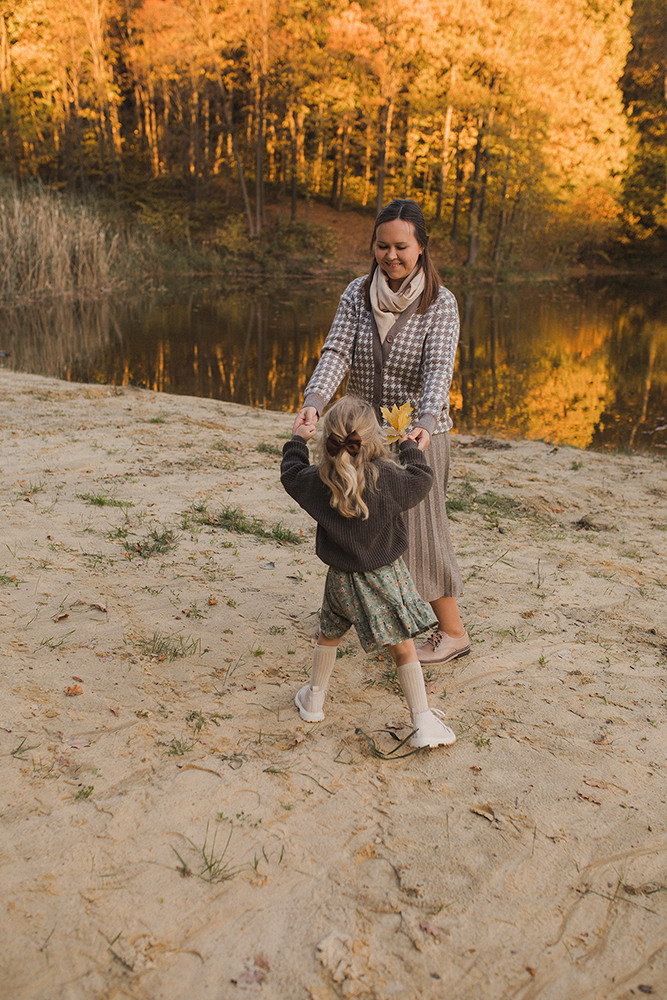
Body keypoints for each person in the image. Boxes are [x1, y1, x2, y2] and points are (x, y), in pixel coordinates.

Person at [292, 198, 468, 666]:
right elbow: (336, 353)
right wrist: (314, 403)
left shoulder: (440, 303)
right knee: (368, 530)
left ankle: (453, 633)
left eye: (402, 247)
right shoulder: (356, 293)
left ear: (422, 247)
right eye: (382, 246)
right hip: (363, 436)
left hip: (417, 439)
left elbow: (438, 375)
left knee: (422, 531)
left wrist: (424, 427)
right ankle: (384, 621)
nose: (391, 256)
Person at [281, 395, 456, 749]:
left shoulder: (318, 481)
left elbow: (290, 474)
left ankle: (314, 700)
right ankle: (423, 722)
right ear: (373, 440)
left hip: (340, 581)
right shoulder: (388, 480)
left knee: (328, 634)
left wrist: (297, 439)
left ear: (328, 441)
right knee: (404, 649)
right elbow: (422, 480)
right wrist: (409, 446)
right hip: (383, 579)